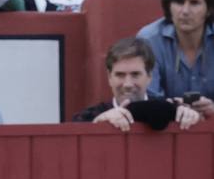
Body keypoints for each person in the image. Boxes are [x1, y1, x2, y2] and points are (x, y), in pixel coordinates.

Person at [72, 34, 202, 130]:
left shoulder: (172, 110)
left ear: (150, 76)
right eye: (120, 75)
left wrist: (192, 117)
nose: (127, 84)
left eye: (135, 75)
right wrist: (98, 124)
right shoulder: (90, 117)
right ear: (109, 77)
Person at [136, 0, 214, 111]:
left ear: (209, 9)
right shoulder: (149, 40)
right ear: (169, 6)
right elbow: (149, 101)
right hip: (165, 128)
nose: (185, 11)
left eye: (194, 3)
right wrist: (175, 110)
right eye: (178, 2)